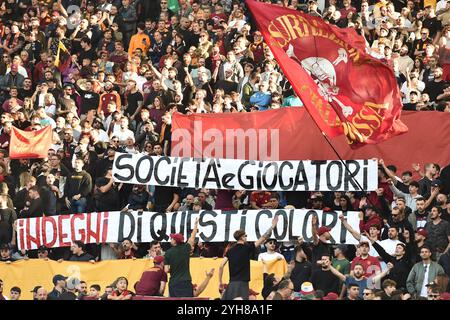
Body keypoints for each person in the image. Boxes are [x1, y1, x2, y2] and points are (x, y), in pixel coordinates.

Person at [219, 215, 279, 300]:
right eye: (245, 236)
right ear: (242, 237)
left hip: (232, 283)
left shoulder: (230, 250)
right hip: (243, 284)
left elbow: (221, 265)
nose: (246, 237)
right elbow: (263, 237)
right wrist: (272, 226)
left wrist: (220, 281)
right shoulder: (247, 248)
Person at [164, 218, 199, 297]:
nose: (171, 239)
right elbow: (192, 237)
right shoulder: (186, 248)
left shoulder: (168, 252)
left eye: (172, 238)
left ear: (175, 241)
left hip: (174, 282)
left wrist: (173, 269)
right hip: (186, 281)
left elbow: (166, 270)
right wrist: (196, 225)